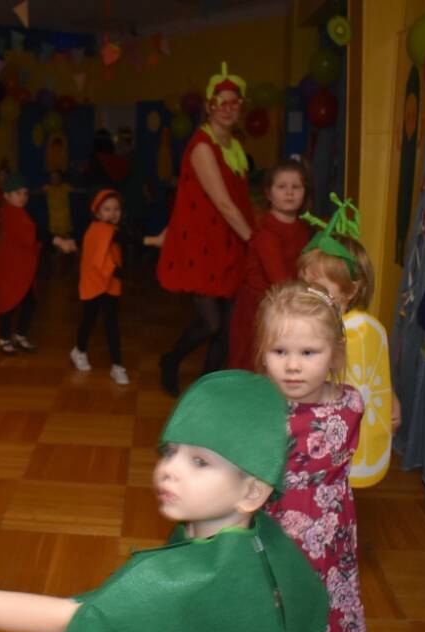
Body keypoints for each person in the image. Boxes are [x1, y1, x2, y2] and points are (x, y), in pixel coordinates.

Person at [0, 370, 328, 632]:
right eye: (170, 452)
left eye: (199, 462)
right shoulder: (266, 542)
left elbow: (76, 617)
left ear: (252, 492)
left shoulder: (183, 578)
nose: (170, 470)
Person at [254, 281, 368, 632]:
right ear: (262, 352)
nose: (292, 365)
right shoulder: (259, 408)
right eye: (279, 351)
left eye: (308, 352)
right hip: (272, 523)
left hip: (326, 530)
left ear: (335, 353)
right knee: (271, 596)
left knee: (314, 597)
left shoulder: (351, 404)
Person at [156, 62, 255, 397]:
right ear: (209, 107)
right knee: (211, 323)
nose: (228, 108)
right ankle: (171, 360)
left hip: (231, 242)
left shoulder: (235, 147)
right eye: (220, 102)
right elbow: (223, 203)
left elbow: (241, 200)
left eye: (234, 102)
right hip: (204, 244)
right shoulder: (202, 145)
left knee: (227, 327)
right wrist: (255, 241)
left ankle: (205, 391)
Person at [296, 195, 401, 488]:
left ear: (351, 290)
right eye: (303, 284)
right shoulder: (304, 324)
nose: (308, 293)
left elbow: (368, 371)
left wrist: (390, 398)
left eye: (318, 287)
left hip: (340, 437)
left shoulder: (360, 330)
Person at [227, 160, 311, 371]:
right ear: (268, 193)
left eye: (296, 187)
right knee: (256, 360)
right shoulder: (267, 233)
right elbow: (279, 279)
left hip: (287, 300)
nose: (289, 192)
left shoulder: (302, 228)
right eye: (282, 187)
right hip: (261, 306)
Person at [0, 173, 76, 355]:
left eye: (25, 193)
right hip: (10, 268)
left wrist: (58, 240)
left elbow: (34, 232)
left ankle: (20, 335)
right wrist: (60, 241)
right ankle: (4, 339)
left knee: (30, 301)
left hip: (21, 267)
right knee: (9, 303)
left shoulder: (18, 213)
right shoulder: (9, 213)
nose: (23, 197)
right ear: (7, 196)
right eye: (18, 193)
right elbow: (35, 233)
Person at [70, 190, 130, 386]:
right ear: (97, 212)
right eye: (107, 209)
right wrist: (152, 241)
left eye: (116, 209)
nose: (112, 213)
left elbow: (123, 242)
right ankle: (79, 350)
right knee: (89, 320)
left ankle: (117, 365)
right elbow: (98, 260)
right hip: (94, 284)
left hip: (110, 284)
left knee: (111, 324)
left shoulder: (114, 230)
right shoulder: (97, 230)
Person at [43, 170, 73, 238]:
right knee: (56, 237)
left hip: (64, 218)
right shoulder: (47, 188)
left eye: (57, 177)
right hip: (53, 219)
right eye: (52, 178)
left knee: (66, 236)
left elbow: (76, 192)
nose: (55, 179)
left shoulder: (66, 187)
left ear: (61, 178)